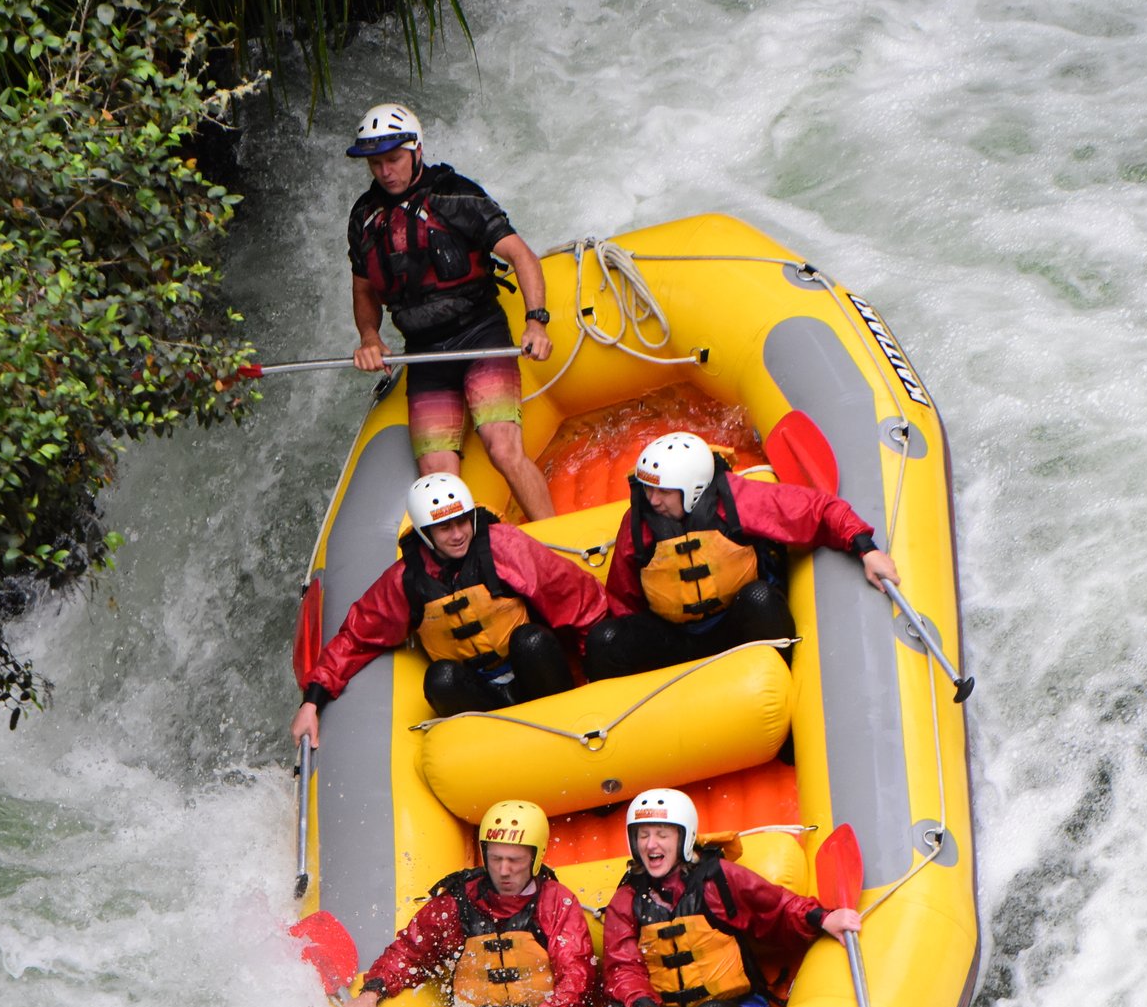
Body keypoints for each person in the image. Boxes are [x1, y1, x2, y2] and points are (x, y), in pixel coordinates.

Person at [345, 102, 557, 521]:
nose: (385, 171)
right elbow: (363, 287)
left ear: (417, 151)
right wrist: (369, 337)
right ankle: (465, 557)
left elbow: (521, 255)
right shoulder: (364, 218)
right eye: (376, 164)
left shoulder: (456, 195)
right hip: (424, 355)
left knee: (502, 447)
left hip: (480, 336)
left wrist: (536, 321)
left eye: (394, 159)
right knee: (437, 480)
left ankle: (558, 536)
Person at [290, 473, 605, 744]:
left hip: (536, 672)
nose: (457, 535)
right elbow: (357, 636)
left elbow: (574, 594)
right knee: (440, 680)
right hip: (480, 694)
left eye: (461, 521)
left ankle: (567, 723)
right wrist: (312, 702)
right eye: (444, 528)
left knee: (530, 641)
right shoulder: (406, 580)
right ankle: (499, 751)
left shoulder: (504, 546)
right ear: (425, 534)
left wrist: (596, 664)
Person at [583, 431, 902, 680]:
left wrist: (866, 549)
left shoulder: (737, 501)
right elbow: (623, 598)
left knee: (760, 598)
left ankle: (792, 702)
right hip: (676, 637)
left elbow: (817, 510)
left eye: (664, 491)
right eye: (648, 489)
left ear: (693, 489)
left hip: (736, 624)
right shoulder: (637, 525)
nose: (653, 500)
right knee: (604, 639)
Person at [337, 800, 626, 1007]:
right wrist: (372, 991)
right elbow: (409, 951)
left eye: (515, 860)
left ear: (535, 857)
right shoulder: (456, 904)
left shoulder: (555, 902)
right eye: (496, 858)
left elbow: (576, 971)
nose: (503, 870)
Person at [599, 788, 861, 1007]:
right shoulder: (627, 899)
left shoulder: (718, 879)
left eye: (662, 834)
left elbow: (777, 907)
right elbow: (622, 966)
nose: (651, 844)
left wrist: (822, 918)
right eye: (643, 835)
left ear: (683, 838)